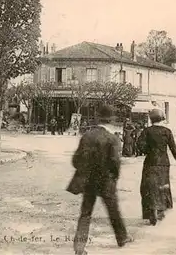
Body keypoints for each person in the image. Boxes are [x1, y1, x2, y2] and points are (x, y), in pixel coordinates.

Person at [68, 105, 133, 255]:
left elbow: (76, 160)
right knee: (113, 210)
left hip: (89, 180)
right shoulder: (113, 138)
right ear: (111, 120)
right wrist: (114, 178)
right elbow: (116, 163)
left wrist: (84, 171)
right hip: (106, 180)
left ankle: (79, 248)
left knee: (85, 213)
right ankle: (122, 238)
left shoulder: (87, 136)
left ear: (97, 118)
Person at [138, 108, 176, 226]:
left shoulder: (146, 131)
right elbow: (173, 148)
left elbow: (140, 146)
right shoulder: (167, 131)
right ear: (162, 118)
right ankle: (161, 209)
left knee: (149, 187)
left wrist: (148, 151)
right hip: (164, 163)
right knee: (162, 187)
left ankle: (151, 210)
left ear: (151, 119)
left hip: (150, 162)